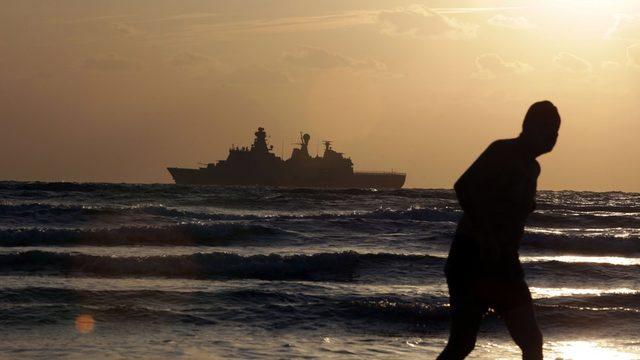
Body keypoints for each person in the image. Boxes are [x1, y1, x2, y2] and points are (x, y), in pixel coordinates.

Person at [438, 101, 561, 360]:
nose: (553, 137)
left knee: (531, 341)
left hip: (505, 264)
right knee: (462, 343)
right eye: (549, 129)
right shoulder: (502, 151)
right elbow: (464, 186)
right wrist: (485, 236)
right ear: (529, 127)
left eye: (557, 132)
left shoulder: (532, 168)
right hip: (471, 257)